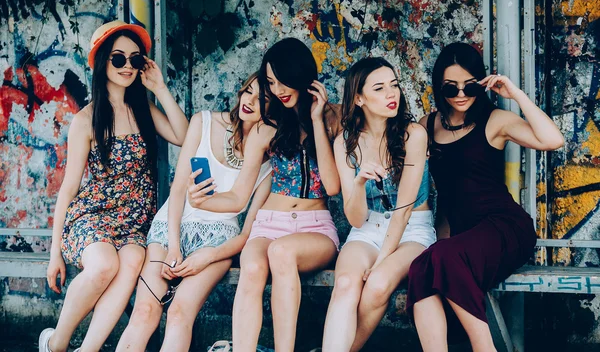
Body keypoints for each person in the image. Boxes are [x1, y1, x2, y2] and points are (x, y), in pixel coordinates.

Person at [39, 20, 189, 352]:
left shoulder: (144, 109)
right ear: (102, 61)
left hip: (135, 221)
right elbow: (68, 188)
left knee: (134, 259)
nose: (127, 66)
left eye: (135, 59)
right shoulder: (86, 120)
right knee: (106, 265)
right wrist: (54, 255)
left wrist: (160, 89)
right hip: (92, 216)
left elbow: (184, 137)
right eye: (118, 58)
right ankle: (55, 343)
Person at [408, 42, 564, 351]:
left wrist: (515, 94)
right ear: (440, 88)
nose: (462, 94)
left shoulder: (494, 121)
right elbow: (444, 198)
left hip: (505, 227)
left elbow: (553, 139)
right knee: (420, 267)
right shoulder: (426, 126)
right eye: (452, 88)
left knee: (445, 257)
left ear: (481, 84)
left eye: (470, 86)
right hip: (463, 238)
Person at [189, 37, 341, 352]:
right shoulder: (265, 128)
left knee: (282, 253)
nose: (278, 89)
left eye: (282, 80)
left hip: (315, 228)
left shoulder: (332, 118)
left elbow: (333, 186)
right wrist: (201, 200)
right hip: (270, 224)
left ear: (301, 75)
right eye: (270, 82)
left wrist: (316, 121)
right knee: (254, 267)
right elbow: (238, 198)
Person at [115, 73, 272, 352]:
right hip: (168, 229)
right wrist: (174, 246)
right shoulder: (204, 122)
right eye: (249, 91)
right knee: (145, 312)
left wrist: (209, 256)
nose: (250, 101)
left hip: (218, 243)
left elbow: (248, 232)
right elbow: (177, 190)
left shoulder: (269, 161)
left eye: (263, 99)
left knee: (178, 314)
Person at [321, 57, 435, 352]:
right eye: (380, 88)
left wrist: (382, 259)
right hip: (368, 228)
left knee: (378, 284)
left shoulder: (414, 135)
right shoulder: (345, 143)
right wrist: (358, 183)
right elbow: (356, 219)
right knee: (345, 285)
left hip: (412, 231)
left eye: (394, 86)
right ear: (359, 98)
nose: (391, 94)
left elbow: (405, 209)